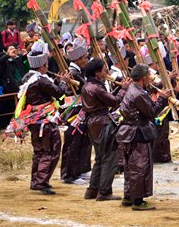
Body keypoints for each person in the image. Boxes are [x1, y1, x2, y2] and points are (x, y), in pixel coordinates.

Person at [9, 42, 69, 194]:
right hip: (44, 120)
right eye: (46, 64)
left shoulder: (28, 78)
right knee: (50, 150)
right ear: (42, 66)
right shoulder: (41, 80)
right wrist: (63, 82)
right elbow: (58, 92)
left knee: (39, 151)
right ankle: (41, 182)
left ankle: (37, 180)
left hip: (34, 121)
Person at [117, 64, 169, 210]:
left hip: (129, 132)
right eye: (148, 76)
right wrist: (162, 99)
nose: (150, 78)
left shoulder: (134, 89)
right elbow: (151, 112)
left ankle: (129, 196)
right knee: (140, 166)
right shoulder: (139, 93)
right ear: (143, 77)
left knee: (130, 166)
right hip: (137, 132)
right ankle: (137, 200)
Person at [81, 59, 129, 201]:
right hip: (102, 123)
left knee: (100, 158)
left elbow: (107, 98)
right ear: (97, 73)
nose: (106, 73)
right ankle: (105, 191)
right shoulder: (96, 87)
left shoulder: (88, 85)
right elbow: (114, 101)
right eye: (104, 70)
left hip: (93, 123)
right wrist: (123, 89)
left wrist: (119, 88)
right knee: (110, 158)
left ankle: (92, 190)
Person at [60, 38, 91, 185]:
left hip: (82, 109)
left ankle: (81, 169)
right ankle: (69, 174)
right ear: (78, 59)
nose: (87, 60)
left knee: (84, 140)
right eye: (85, 58)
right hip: (74, 112)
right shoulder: (72, 73)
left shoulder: (79, 71)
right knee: (73, 142)